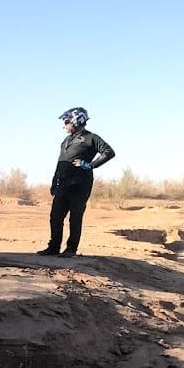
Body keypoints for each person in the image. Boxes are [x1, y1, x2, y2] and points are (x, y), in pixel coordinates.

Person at [37, 107, 115, 257]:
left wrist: (90, 165)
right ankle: (53, 247)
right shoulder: (67, 140)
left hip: (80, 184)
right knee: (55, 216)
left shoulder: (91, 138)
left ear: (76, 120)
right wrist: (54, 182)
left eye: (66, 121)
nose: (64, 125)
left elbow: (109, 152)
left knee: (75, 217)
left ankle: (71, 249)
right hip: (63, 184)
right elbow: (61, 161)